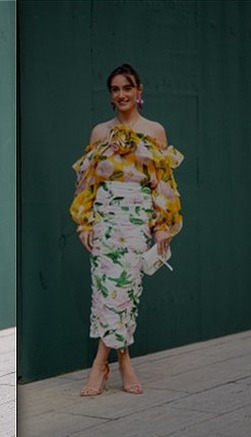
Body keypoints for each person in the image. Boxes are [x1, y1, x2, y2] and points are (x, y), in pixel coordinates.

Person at [70, 64, 183, 396]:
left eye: (127, 88)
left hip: (137, 219)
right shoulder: (99, 133)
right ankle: (121, 363)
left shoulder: (155, 131)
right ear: (111, 95)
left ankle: (101, 363)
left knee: (127, 290)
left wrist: (163, 227)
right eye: (116, 90)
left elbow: (164, 184)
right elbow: (86, 185)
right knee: (105, 289)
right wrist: (84, 223)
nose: (121, 95)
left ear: (139, 91)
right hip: (105, 217)